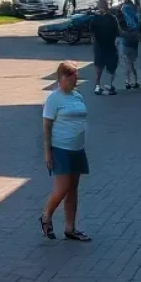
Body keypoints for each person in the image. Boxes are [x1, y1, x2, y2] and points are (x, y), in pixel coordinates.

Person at [40, 60, 91, 241]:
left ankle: (70, 228)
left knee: (73, 189)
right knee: (63, 188)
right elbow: (46, 125)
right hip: (60, 148)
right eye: (70, 77)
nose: (74, 81)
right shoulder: (54, 98)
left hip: (77, 148)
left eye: (75, 77)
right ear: (61, 78)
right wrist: (47, 152)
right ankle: (46, 215)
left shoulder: (77, 96)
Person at [89, 0, 121, 96]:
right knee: (111, 68)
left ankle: (98, 86)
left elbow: (92, 33)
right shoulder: (112, 18)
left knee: (99, 67)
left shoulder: (95, 18)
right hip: (110, 46)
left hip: (99, 47)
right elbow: (117, 33)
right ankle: (109, 86)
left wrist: (94, 41)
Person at [118, 0, 140, 89]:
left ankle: (128, 81)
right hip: (134, 43)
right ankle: (134, 81)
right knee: (131, 63)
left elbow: (120, 31)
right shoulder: (136, 18)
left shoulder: (123, 18)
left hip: (125, 42)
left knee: (128, 63)